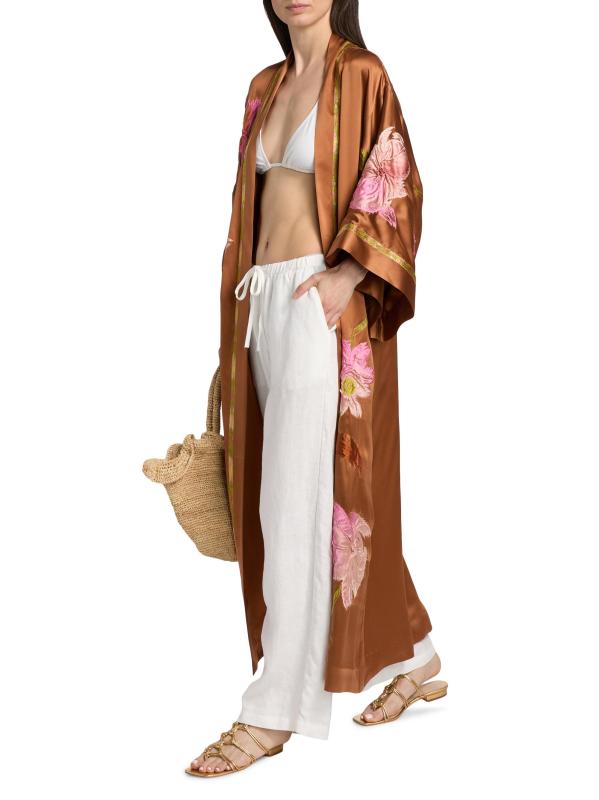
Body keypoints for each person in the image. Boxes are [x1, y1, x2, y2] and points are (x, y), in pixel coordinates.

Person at [186, 0, 447, 778]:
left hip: (320, 303)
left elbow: (396, 184)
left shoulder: (361, 74)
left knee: (292, 505)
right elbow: (249, 207)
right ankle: (416, 656)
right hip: (261, 300)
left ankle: (273, 710)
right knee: (326, 502)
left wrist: (348, 275)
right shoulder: (263, 86)